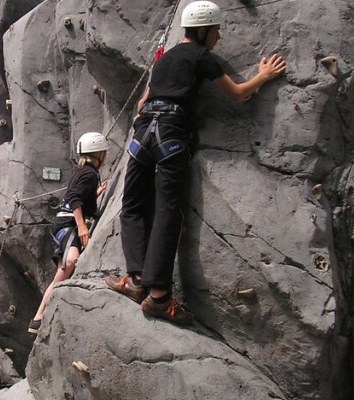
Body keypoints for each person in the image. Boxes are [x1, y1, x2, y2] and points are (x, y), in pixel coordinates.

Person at [105, 0, 286, 325]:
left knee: (132, 206)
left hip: (144, 130)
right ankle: (158, 296)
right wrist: (263, 75)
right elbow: (238, 92)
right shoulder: (203, 57)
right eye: (216, 30)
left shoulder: (165, 60)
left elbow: (143, 103)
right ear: (203, 30)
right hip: (171, 133)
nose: (218, 36)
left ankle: (134, 280)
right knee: (166, 211)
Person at [28, 131, 109, 334]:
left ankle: (38, 318)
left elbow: (77, 195)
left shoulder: (82, 171)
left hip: (63, 223)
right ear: (99, 153)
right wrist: (82, 227)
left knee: (63, 271)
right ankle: (39, 315)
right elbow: (74, 198)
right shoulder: (89, 173)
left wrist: (95, 193)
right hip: (68, 223)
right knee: (70, 263)